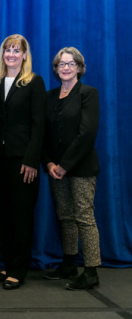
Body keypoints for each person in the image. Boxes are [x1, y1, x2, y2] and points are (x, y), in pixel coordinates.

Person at [0, 34, 46, 289]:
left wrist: (32, 160)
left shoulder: (34, 82)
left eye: (16, 50)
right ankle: (8, 264)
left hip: (23, 161)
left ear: (24, 55)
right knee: (3, 215)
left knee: (21, 216)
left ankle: (19, 269)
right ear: (3, 54)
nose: (11, 54)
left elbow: (39, 125)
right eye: (7, 50)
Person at [42, 47, 101, 290]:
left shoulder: (88, 94)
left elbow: (86, 133)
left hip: (81, 167)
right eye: (61, 64)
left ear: (79, 67)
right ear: (56, 69)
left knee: (84, 217)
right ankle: (68, 263)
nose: (65, 68)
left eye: (71, 63)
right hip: (55, 169)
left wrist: (65, 165)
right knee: (65, 216)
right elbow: (43, 134)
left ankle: (91, 271)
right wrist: (49, 163)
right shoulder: (49, 96)